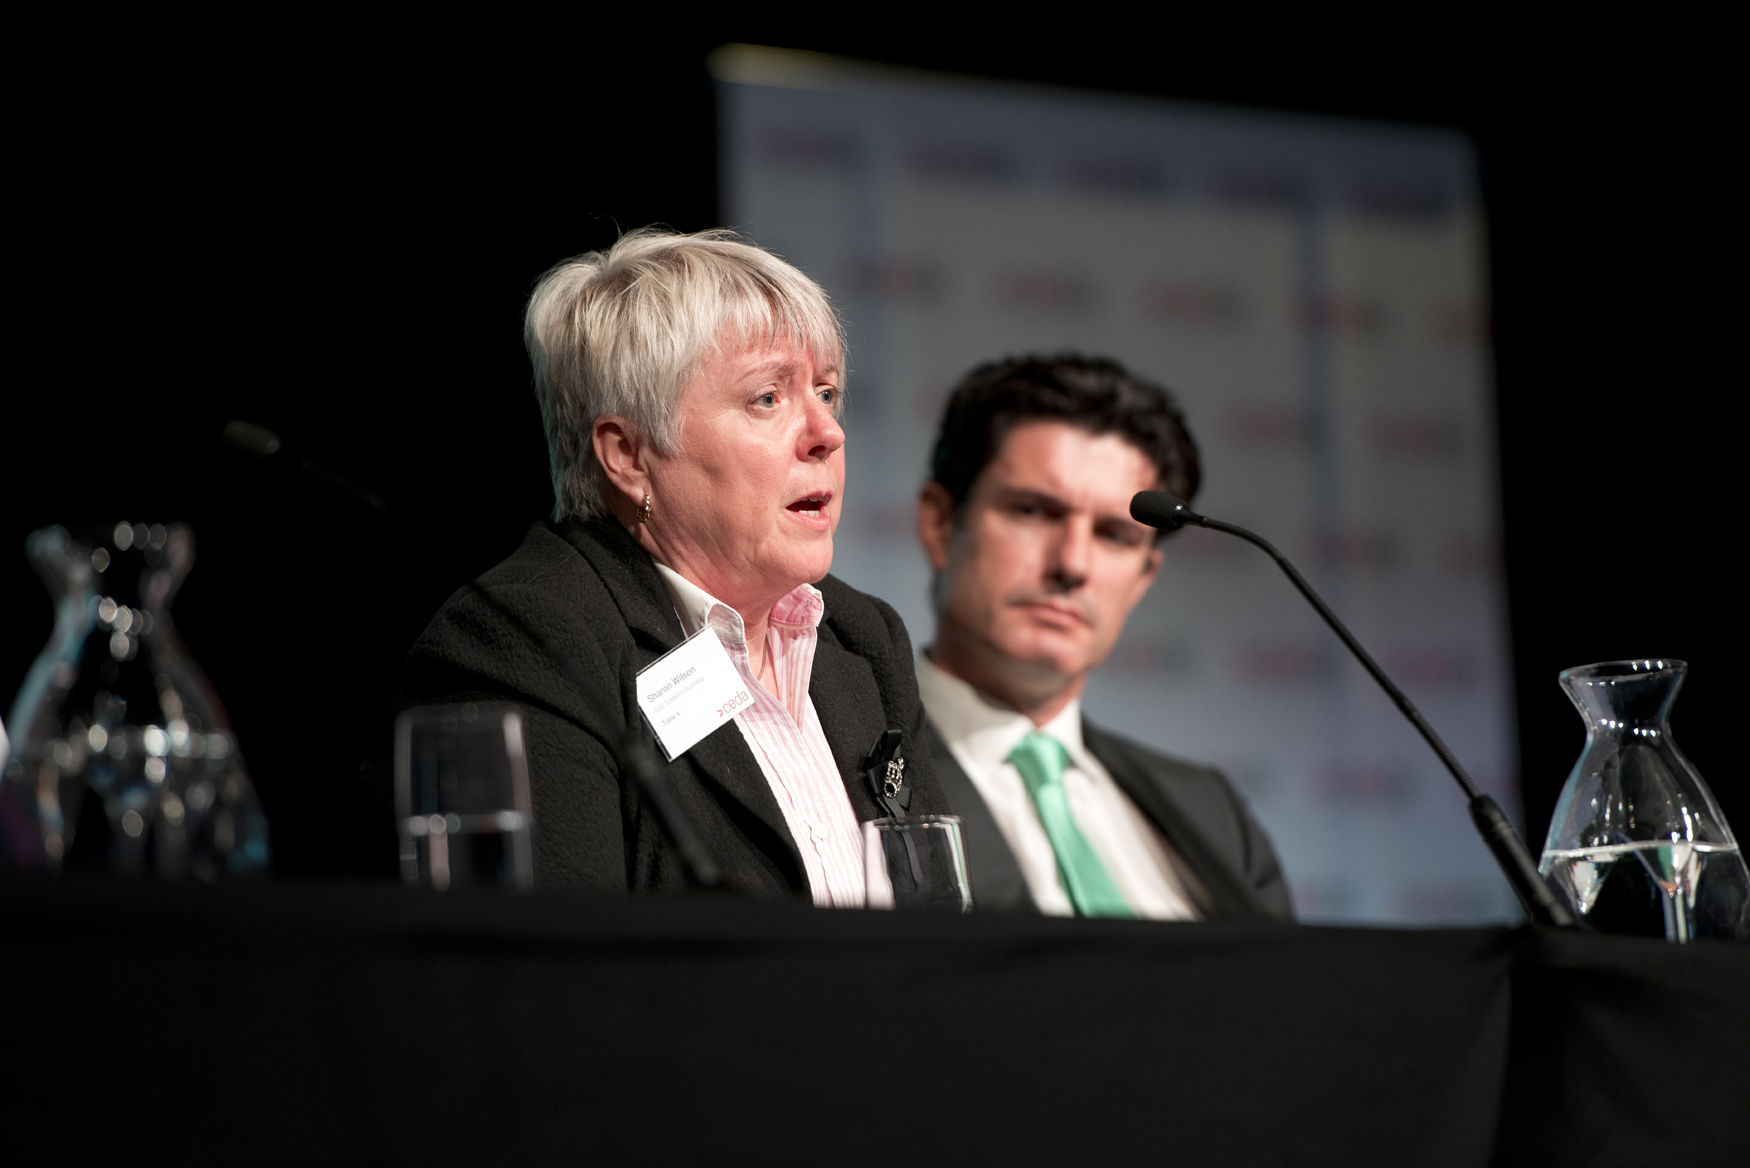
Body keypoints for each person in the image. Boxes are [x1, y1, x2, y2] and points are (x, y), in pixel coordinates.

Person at [351, 228, 945, 900]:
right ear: (629, 457)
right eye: (767, 398)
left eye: (827, 392)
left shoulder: (861, 639)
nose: (827, 433)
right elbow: (551, 955)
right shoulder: (527, 647)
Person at [914, 355, 1291, 919]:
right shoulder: (840, 770)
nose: (1073, 564)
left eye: (1114, 535)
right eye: (1033, 511)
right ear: (941, 524)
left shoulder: (1214, 816)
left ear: (1142, 578)